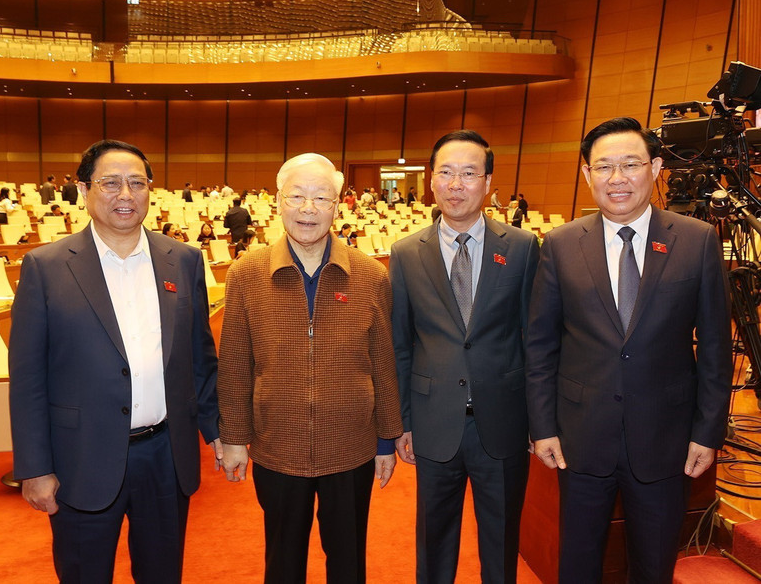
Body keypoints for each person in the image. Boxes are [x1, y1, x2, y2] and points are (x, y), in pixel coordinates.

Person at [525, 117, 732, 583]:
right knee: (577, 565)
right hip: (578, 440)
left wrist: (708, 432)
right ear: (586, 175)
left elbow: (716, 346)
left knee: (654, 566)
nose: (616, 179)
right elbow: (540, 345)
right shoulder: (560, 244)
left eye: (630, 164)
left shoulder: (697, 241)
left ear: (656, 168)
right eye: (603, 167)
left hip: (667, 439)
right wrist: (542, 428)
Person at [8, 139, 221, 583]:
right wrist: (34, 467)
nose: (125, 194)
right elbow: (28, 379)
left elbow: (199, 358)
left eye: (136, 183)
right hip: (79, 459)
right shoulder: (45, 267)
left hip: (165, 455)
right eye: (110, 183)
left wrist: (217, 431)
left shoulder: (182, 260)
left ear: (150, 191)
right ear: (84, 190)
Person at [218, 153, 403, 584]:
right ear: (278, 201)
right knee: (282, 562)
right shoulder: (246, 273)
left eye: (321, 198)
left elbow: (384, 363)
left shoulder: (370, 275)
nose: (308, 209)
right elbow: (234, 366)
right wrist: (233, 437)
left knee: (348, 560)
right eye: (297, 196)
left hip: (351, 446)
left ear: (337, 206)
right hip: (277, 446)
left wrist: (386, 439)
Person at [390, 130, 540, 583]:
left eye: (469, 173)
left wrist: (539, 421)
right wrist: (404, 422)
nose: (457, 184)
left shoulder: (521, 247)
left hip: (504, 422)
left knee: (501, 541)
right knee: (434, 542)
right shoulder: (404, 254)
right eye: (446, 173)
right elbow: (400, 344)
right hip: (434, 422)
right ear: (431, 182)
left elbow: (532, 339)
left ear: (489, 182)